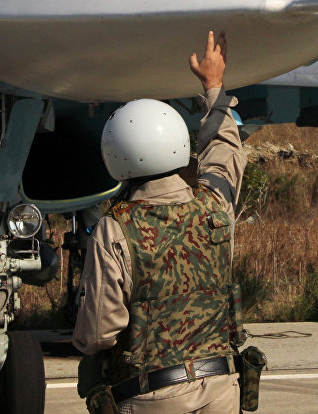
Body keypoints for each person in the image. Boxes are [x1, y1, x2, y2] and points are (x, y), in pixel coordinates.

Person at [72, 31, 249, 414]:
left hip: (152, 394)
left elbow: (99, 331)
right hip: (221, 387)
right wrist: (214, 86)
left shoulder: (115, 229)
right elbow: (225, 153)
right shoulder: (215, 206)